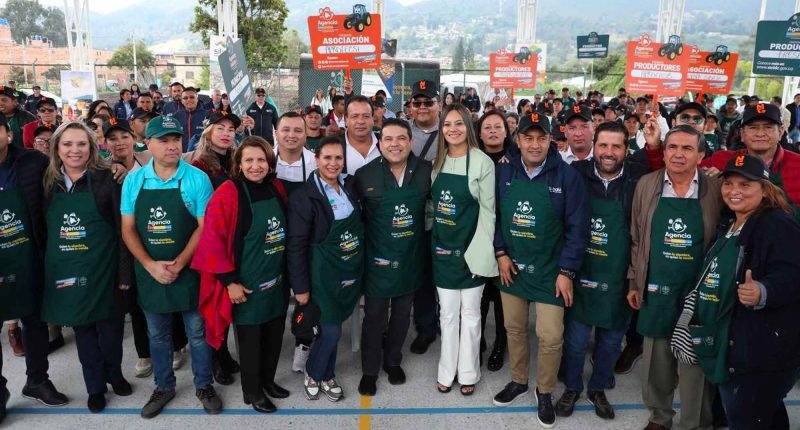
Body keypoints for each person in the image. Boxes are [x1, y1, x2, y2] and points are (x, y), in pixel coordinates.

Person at [491, 112, 589, 429]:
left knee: (551, 336)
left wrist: (567, 271)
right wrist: (500, 252)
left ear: (551, 141)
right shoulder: (503, 172)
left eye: (541, 138)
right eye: (528, 138)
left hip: (551, 271)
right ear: (517, 140)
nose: (535, 145)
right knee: (515, 329)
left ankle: (544, 390)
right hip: (512, 267)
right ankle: (519, 380)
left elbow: (577, 229)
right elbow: (493, 216)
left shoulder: (567, 177)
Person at [120, 116, 222, 418]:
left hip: (190, 271)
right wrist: (150, 265)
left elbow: (204, 226)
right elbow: (128, 229)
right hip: (151, 273)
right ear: (147, 144)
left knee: (198, 333)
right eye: (163, 140)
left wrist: (180, 263)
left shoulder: (197, 179)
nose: (172, 146)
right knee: (158, 335)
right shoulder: (134, 181)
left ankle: (204, 384)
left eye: (175, 139)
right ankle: (164, 386)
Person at [689, 154, 800, 429]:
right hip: (734, 343)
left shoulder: (776, 223)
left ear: (765, 189)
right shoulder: (732, 221)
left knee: (746, 417)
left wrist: (763, 290)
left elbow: (793, 274)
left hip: (761, 352)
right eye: (729, 183)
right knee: (766, 413)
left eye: (745, 184)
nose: (734, 191)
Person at [627, 125, 722, 430]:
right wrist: (634, 281)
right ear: (664, 151)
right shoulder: (647, 184)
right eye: (672, 147)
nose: (678, 154)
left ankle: (696, 422)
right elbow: (637, 237)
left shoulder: (715, 187)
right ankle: (659, 417)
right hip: (656, 285)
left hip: (698, 289)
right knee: (656, 360)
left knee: (695, 360)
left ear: (701, 155)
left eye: (687, 148)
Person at [557, 121, 649, 421]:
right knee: (575, 340)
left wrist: (634, 278)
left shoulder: (638, 181)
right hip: (581, 271)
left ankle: (597, 388)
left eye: (616, 146)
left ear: (626, 150)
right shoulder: (575, 174)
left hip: (619, 276)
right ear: (594, 147)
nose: (609, 152)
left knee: (610, 341)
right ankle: (572, 387)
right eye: (603, 145)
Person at [193, 136, 290, 413]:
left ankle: (268, 381)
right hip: (246, 284)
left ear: (270, 163)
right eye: (249, 160)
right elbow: (212, 241)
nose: (255, 166)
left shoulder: (276, 187)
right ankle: (253, 391)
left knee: (274, 335)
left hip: (276, 278)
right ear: (239, 163)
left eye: (261, 160)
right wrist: (229, 282)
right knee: (250, 342)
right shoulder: (228, 192)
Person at [41, 122, 133, 413]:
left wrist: (124, 273)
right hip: (68, 272)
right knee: (84, 335)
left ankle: (115, 374)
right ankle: (94, 387)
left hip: (105, 270)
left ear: (92, 148)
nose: (75, 150)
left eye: (81, 143)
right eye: (67, 144)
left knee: (111, 333)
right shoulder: (48, 183)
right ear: (57, 148)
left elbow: (123, 231)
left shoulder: (108, 179)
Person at [0, 115, 70, 423]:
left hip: (29, 256)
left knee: (35, 321)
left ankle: (37, 380)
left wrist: (118, 166)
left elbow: (68, 176)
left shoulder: (32, 162)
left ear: (8, 134)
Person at [355, 118, 432, 396]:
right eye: (388, 139)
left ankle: (393, 361)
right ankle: (369, 370)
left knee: (401, 315)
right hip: (377, 260)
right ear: (380, 143)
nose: (394, 144)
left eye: (401, 138)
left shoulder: (427, 171)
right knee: (375, 316)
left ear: (410, 142)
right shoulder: (364, 175)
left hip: (411, 257)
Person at [287, 137, 363, 402]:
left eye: (338, 158)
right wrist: (300, 288)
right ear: (316, 160)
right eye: (327, 157)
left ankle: (328, 375)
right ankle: (314, 372)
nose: (333, 163)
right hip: (320, 274)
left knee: (334, 324)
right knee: (331, 330)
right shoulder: (303, 197)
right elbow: (296, 246)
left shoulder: (350, 186)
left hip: (348, 270)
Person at [430, 104, 497, 396]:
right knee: (447, 315)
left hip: (472, 251)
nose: (453, 129)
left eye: (458, 123)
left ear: (468, 127)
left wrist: (480, 256)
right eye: (447, 124)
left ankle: (468, 372)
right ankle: (446, 371)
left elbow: (489, 213)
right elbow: (434, 209)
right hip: (443, 251)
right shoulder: (438, 161)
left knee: (470, 315)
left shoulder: (482, 162)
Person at [273, 112, 317, 372]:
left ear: (306, 134)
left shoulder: (314, 163)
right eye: (286, 130)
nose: (291, 135)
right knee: (275, 297)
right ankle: (271, 344)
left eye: (298, 130)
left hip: (304, 241)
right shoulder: (264, 161)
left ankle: (303, 344)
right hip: (272, 241)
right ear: (276, 133)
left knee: (306, 297)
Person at [407, 80, 442, 355]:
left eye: (427, 102)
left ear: (438, 104)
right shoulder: (402, 132)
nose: (422, 107)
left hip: (446, 211)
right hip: (413, 212)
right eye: (417, 102)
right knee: (422, 273)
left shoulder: (451, 130)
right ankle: (426, 327)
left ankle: (451, 322)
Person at [476, 112, 511, 370]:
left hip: (507, 238)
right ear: (479, 133)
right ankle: (477, 342)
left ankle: (500, 343)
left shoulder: (516, 159)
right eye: (487, 127)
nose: (492, 131)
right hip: (478, 235)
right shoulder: (472, 158)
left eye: (497, 126)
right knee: (478, 295)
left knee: (502, 296)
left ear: (506, 132)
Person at [343, 95, 380, 174]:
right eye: (355, 116)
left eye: (366, 116)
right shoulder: (334, 145)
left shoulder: (385, 142)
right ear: (346, 120)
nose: (360, 121)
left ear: (372, 119)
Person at [174, 87, 208, 152]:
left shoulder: (207, 115)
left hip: (201, 154)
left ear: (197, 99)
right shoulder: (176, 116)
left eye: (192, 97)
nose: (189, 100)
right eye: (185, 98)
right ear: (182, 101)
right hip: (182, 154)